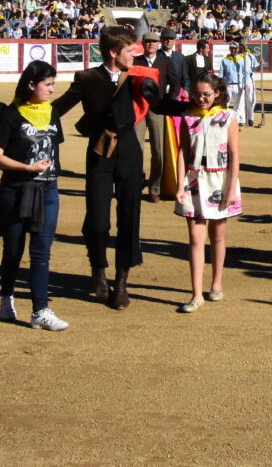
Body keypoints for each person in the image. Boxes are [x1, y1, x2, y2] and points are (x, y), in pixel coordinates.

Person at [52, 24, 187, 310]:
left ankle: (122, 281)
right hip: (100, 151)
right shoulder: (87, 78)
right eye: (129, 51)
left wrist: (193, 108)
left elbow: (160, 106)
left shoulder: (137, 77)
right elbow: (58, 107)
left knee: (129, 214)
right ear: (113, 52)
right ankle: (98, 271)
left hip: (128, 152)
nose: (135, 54)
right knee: (98, 217)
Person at [0, 60, 68, 331]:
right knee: (13, 250)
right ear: (31, 84)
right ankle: (7, 298)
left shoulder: (51, 113)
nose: (52, 90)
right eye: (48, 84)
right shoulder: (9, 115)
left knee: (41, 252)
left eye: (52, 84)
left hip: (48, 189)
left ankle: (40, 311)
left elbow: (54, 149)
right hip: (17, 188)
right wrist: (27, 168)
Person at [173, 72, 242, 313]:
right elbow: (182, 151)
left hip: (220, 180)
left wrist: (231, 188)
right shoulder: (187, 117)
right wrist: (180, 184)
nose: (201, 99)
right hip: (194, 180)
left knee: (219, 236)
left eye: (206, 95)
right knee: (195, 238)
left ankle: (216, 283)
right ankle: (196, 294)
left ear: (217, 94)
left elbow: (234, 154)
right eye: (197, 94)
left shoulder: (228, 116)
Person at [135, 31, 179, 202]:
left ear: (158, 44)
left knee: (159, 151)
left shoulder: (165, 62)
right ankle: (137, 182)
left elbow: (176, 84)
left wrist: (169, 100)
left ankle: (155, 187)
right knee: (136, 150)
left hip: (157, 109)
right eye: (147, 42)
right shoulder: (136, 61)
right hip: (138, 109)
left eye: (153, 42)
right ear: (143, 44)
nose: (151, 44)